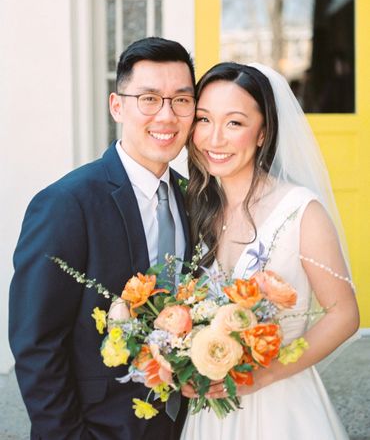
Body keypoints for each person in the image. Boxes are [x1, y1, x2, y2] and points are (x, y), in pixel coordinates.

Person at [9, 36, 195, 440]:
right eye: (149, 98)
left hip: (185, 423)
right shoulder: (65, 203)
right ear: (117, 106)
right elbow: (36, 342)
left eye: (181, 100)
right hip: (98, 427)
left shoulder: (194, 199)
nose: (166, 116)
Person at [181, 62, 359, 439]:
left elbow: (344, 314)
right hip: (209, 410)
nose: (214, 139)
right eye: (203, 119)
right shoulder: (193, 207)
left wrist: (265, 374)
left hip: (281, 404)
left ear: (263, 133)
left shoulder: (300, 210)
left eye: (234, 123)